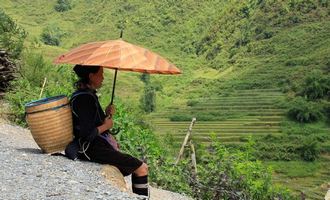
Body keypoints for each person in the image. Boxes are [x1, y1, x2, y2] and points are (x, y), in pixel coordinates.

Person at [67, 64, 149, 197]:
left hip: (95, 147)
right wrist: (106, 126)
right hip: (91, 149)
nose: (103, 78)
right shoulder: (84, 99)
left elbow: (91, 121)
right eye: (100, 74)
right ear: (91, 76)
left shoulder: (86, 95)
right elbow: (87, 134)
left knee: (138, 165)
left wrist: (106, 114)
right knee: (141, 168)